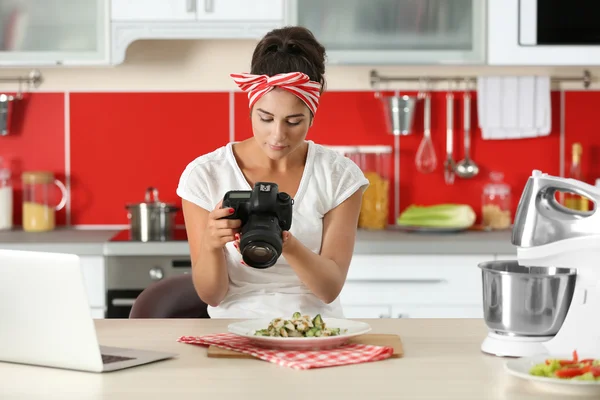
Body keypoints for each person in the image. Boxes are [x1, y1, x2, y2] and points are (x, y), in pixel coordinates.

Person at [176, 26, 369, 319]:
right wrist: (212, 244)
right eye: (265, 118)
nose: (277, 135)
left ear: (312, 116)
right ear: (251, 108)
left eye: (294, 121)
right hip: (234, 330)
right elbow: (212, 296)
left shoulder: (339, 176)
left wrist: (284, 241)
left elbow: (329, 288)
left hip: (314, 329)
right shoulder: (205, 175)